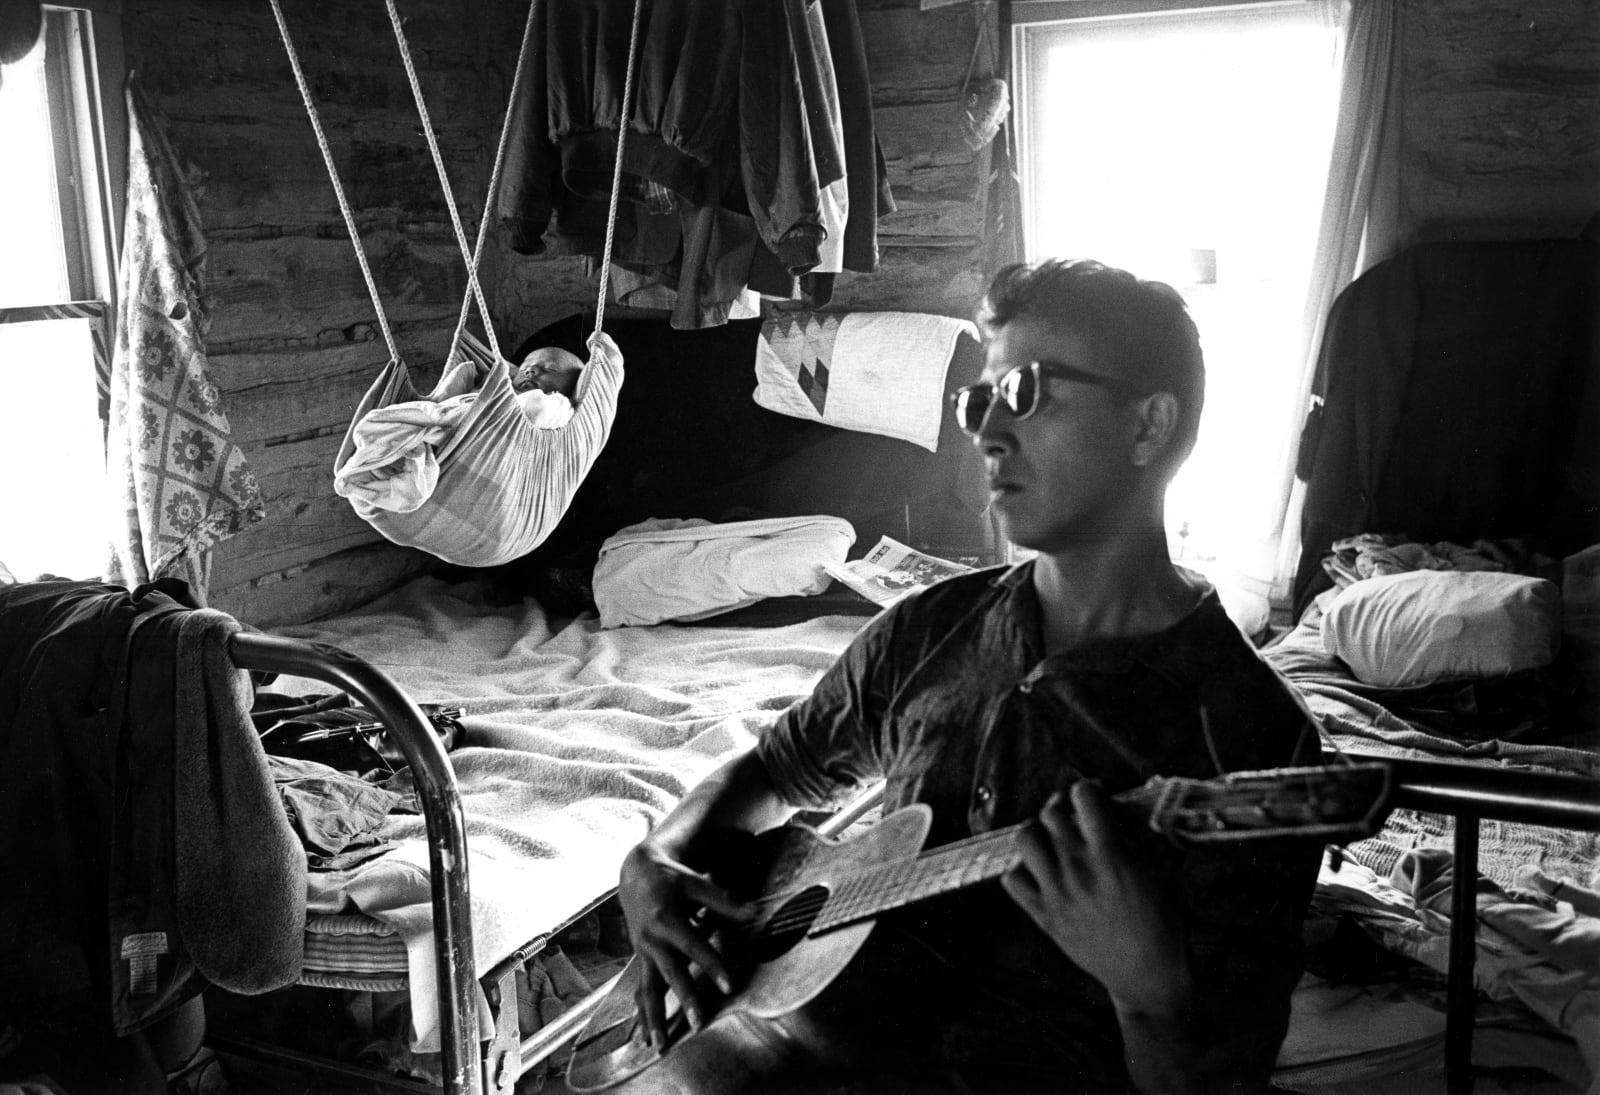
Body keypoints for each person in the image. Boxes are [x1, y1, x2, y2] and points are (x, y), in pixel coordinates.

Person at [616, 258, 1323, 1093]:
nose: (986, 434)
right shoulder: (929, 627)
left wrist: (1150, 993)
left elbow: (1217, 1083)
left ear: (1149, 426)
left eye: (1027, 393)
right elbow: (773, 768)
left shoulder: (1253, 733)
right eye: (978, 402)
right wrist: (654, 859)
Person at [511, 345, 586, 428]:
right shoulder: (509, 386)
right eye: (523, 368)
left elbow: (536, 410)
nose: (530, 370)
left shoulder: (559, 406)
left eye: (551, 368)